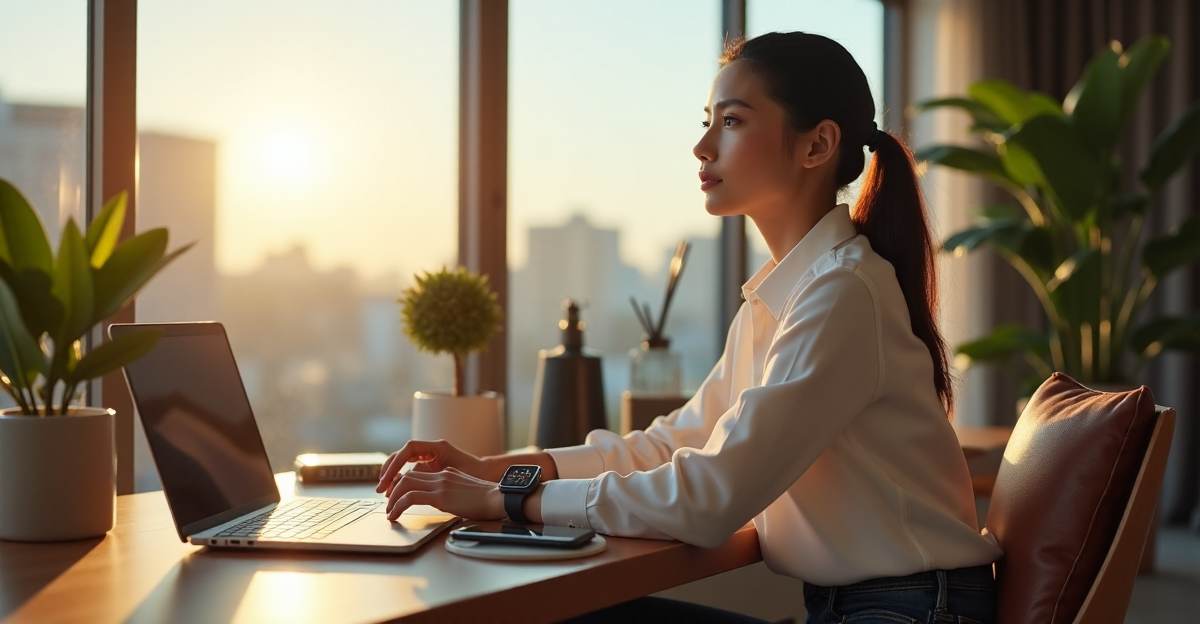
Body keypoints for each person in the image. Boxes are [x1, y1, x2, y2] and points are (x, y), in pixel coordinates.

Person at [376, 32, 1002, 624]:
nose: (703, 148)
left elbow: (709, 498)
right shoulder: (787, 293)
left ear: (817, 145)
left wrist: (503, 501)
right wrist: (494, 470)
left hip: (913, 610)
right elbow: (676, 442)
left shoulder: (843, 294)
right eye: (707, 122)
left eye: (731, 122)